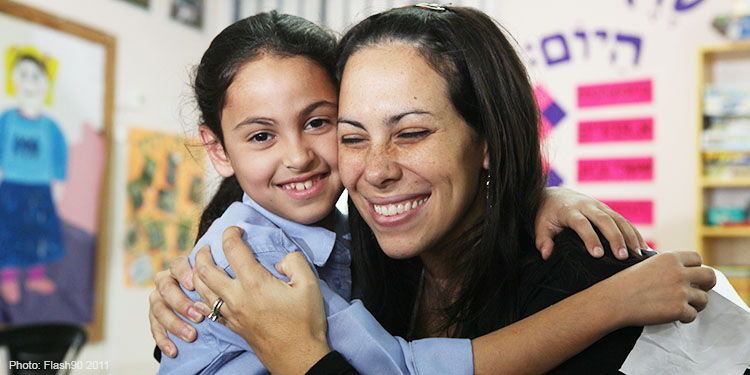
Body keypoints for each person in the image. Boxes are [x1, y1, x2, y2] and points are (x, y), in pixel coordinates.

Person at [151, 6, 715, 375]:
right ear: (219, 146)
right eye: (354, 136)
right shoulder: (369, 261)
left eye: (412, 132)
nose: (375, 170)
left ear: (488, 136)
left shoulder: (580, 272)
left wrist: (534, 200)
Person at [0, 46, 65, 305]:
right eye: (23, 75)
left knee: (38, 234)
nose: (29, 82)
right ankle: (8, 278)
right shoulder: (7, 120)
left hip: (40, 189)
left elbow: (59, 157)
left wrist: (59, 183)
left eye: (35, 76)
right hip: (11, 188)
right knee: (9, 232)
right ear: (14, 80)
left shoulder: (51, 127)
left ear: (45, 84)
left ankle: (36, 275)